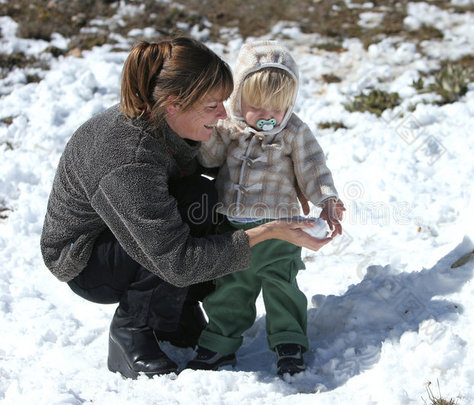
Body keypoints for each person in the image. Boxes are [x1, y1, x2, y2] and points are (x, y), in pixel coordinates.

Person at [39, 37, 331, 380]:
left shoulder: (165, 120)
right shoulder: (127, 158)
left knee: (202, 197)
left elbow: (217, 170)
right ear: (175, 104)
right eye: (213, 106)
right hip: (87, 259)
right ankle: (132, 331)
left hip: (128, 230)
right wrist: (269, 231)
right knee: (175, 232)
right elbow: (176, 260)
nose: (224, 114)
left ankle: (175, 314)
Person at [191, 40, 345, 376]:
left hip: (282, 230)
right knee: (230, 288)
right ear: (239, 100)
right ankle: (219, 343)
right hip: (234, 231)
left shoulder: (293, 131)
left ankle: (289, 341)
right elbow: (210, 159)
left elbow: (313, 167)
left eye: (277, 108)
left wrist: (327, 200)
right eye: (258, 108)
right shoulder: (230, 129)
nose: (268, 117)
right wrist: (211, 136)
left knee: (283, 286)